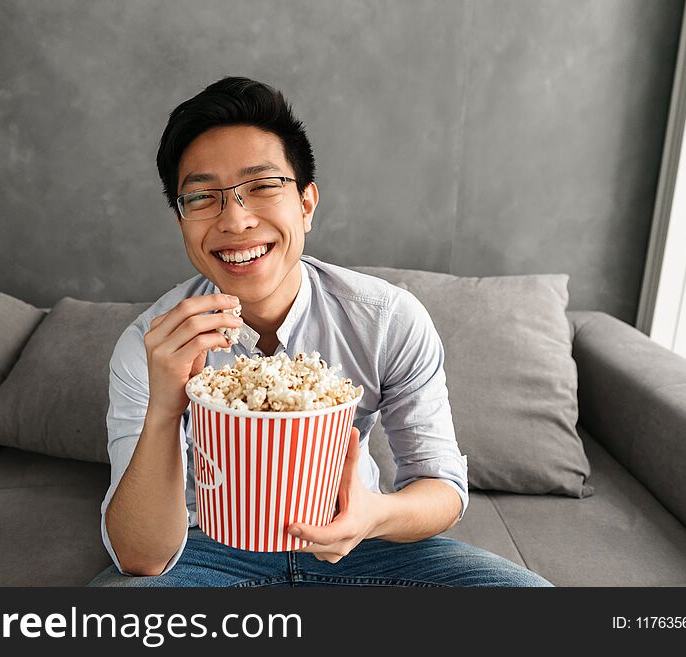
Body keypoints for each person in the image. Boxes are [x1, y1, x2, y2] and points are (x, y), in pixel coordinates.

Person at [88, 77, 552, 587]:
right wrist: (165, 405)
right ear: (181, 220)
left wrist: (371, 515)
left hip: (363, 545)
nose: (236, 219)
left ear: (307, 204)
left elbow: (440, 485)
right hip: (204, 552)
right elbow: (141, 558)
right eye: (202, 197)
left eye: (262, 186)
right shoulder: (150, 344)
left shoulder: (386, 319)